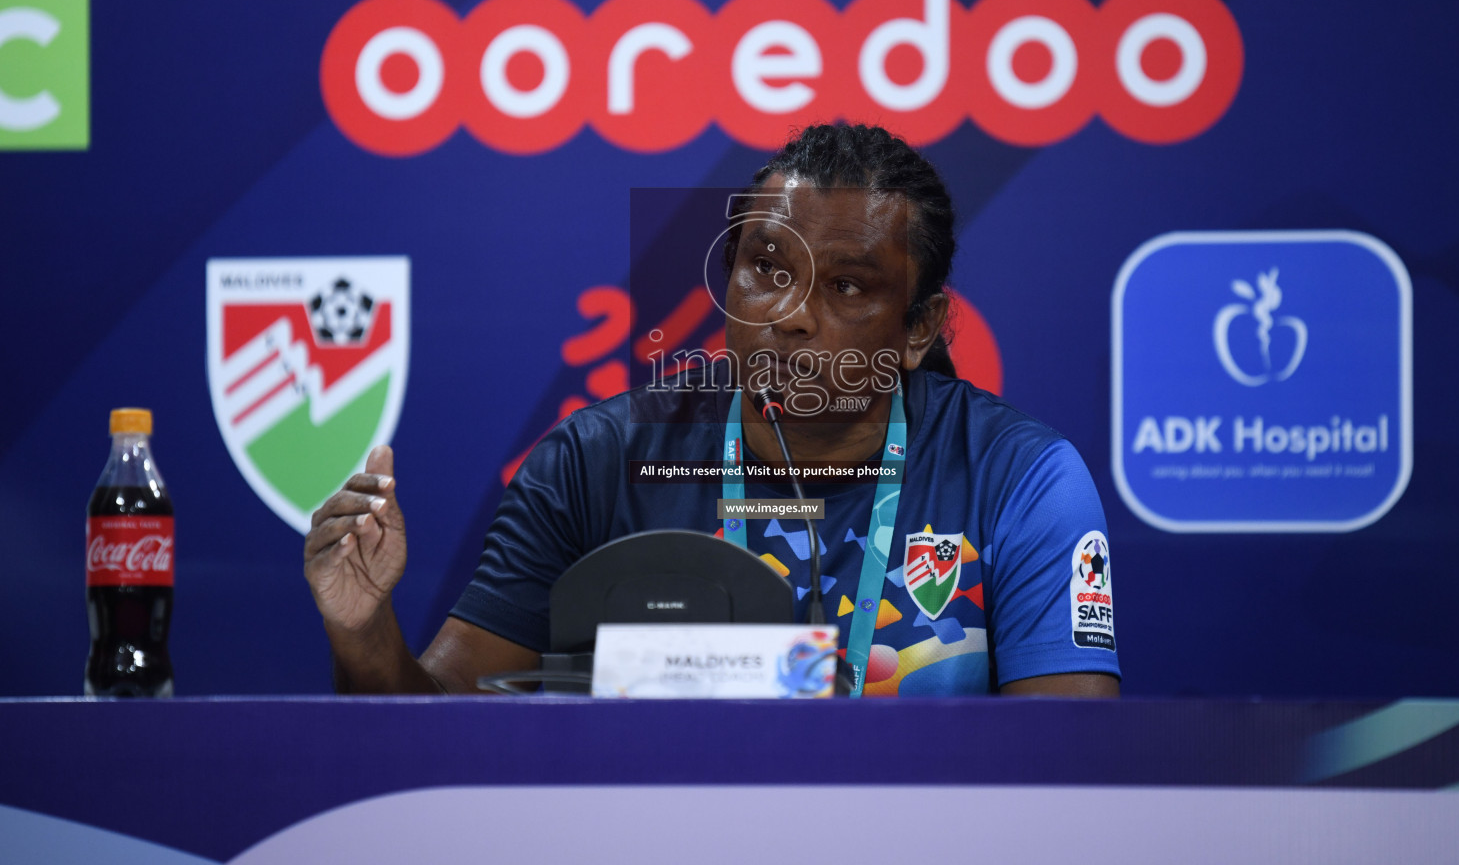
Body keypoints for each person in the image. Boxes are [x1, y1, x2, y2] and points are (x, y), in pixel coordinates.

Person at [304, 124, 1120, 697]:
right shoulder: (595, 463)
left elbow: (1066, 772)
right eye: (766, 268)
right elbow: (436, 735)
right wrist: (363, 629)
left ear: (919, 330)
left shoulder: (1024, 479)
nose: (792, 313)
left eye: (846, 286)